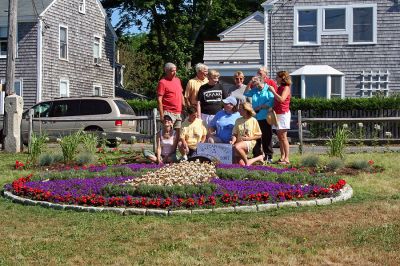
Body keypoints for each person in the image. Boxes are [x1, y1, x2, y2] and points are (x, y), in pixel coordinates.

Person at [244, 76, 275, 163]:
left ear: (262, 82)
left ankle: (269, 156)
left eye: (257, 84)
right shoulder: (254, 90)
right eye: (255, 84)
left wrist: (260, 107)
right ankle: (257, 155)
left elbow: (271, 102)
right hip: (255, 118)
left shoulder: (268, 89)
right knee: (256, 137)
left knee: (266, 137)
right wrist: (249, 83)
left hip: (265, 117)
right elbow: (245, 93)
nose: (257, 86)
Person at [268, 71, 291, 165]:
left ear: (282, 78)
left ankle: (287, 158)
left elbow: (281, 99)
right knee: (280, 137)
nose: (276, 78)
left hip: (283, 113)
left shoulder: (286, 88)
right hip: (277, 113)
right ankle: (282, 156)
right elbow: (276, 101)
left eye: (277, 77)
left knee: (283, 137)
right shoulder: (279, 88)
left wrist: (273, 91)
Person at [157, 62, 184, 135]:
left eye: (175, 70)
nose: (174, 72)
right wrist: (162, 115)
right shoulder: (162, 82)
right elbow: (159, 99)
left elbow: (181, 94)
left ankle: (174, 147)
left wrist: (184, 106)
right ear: (166, 71)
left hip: (178, 112)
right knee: (167, 134)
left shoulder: (178, 80)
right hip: (168, 112)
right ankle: (162, 146)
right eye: (172, 71)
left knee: (178, 134)